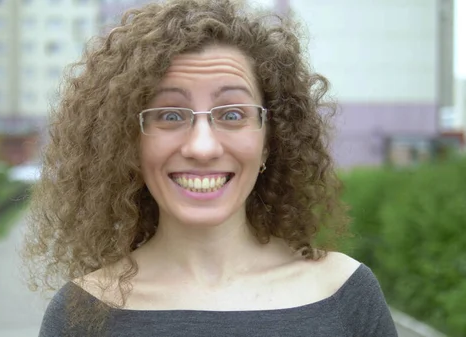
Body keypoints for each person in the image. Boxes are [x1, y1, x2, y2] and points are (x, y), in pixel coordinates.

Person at [23, 0, 399, 335]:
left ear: (271, 140)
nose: (202, 147)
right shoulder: (84, 312)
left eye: (232, 114)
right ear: (129, 144)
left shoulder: (343, 292)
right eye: (170, 114)